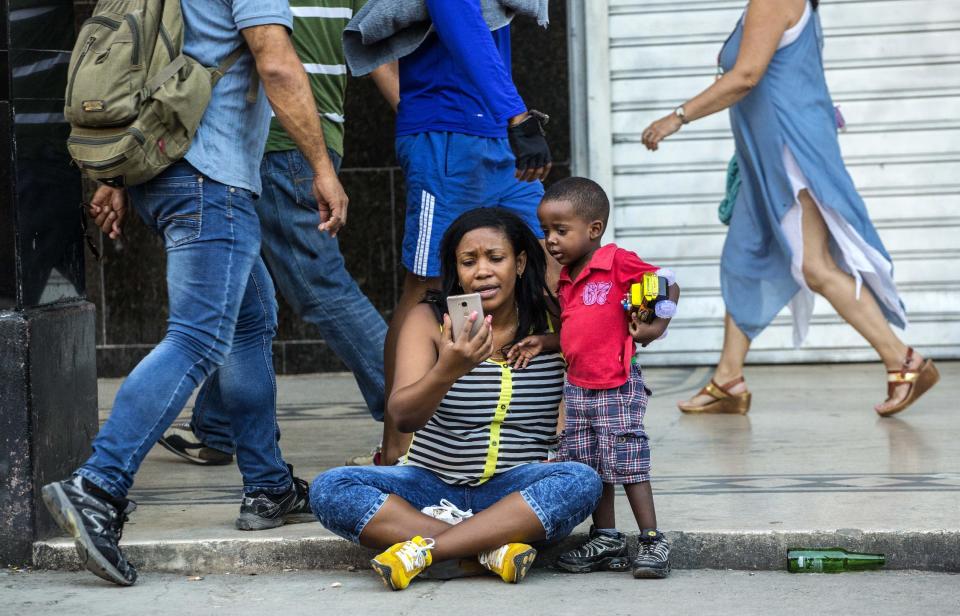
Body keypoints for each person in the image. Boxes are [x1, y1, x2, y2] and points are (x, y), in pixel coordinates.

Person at [44, 1, 347, 586]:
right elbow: (277, 62)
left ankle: (267, 484)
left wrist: (114, 177)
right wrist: (321, 168)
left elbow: (143, 60)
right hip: (211, 181)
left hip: (163, 170)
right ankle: (99, 485)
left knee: (248, 323)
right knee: (197, 339)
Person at [640, 0, 938, 416]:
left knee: (814, 266)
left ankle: (904, 361)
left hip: (789, 155)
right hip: (762, 158)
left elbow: (745, 76)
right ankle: (729, 379)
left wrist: (677, 117)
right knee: (742, 258)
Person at [150, 0, 400, 467]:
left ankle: (414, 413)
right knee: (248, 290)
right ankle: (220, 426)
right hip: (311, 136)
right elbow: (380, 45)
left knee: (319, 282)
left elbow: (274, 63)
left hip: (278, 140)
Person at [309, 208, 602, 591]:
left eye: (495, 258)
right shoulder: (430, 321)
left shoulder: (553, 320)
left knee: (581, 481)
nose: (482, 271)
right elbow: (403, 417)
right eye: (469, 261)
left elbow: (619, 329)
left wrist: (652, 319)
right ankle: (488, 550)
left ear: (520, 262)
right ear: (456, 270)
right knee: (331, 488)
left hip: (514, 493)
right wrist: (447, 370)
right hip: (429, 485)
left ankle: (429, 550)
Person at [377, 0, 554, 464]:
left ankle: (548, 435)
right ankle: (396, 451)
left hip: (496, 127)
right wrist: (518, 115)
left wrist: (510, 116)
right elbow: (457, 20)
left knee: (549, 260)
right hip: (448, 135)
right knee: (430, 286)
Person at [534, 177, 680, 579]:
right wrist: (543, 343)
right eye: (546, 231)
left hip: (616, 381)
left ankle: (651, 539)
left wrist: (655, 327)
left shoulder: (615, 261)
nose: (551, 241)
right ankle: (607, 538)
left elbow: (666, 281)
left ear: (594, 229)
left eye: (561, 231)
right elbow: (575, 331)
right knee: (589, 464)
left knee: (627, 459)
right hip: (578, 387)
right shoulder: (566, 278)